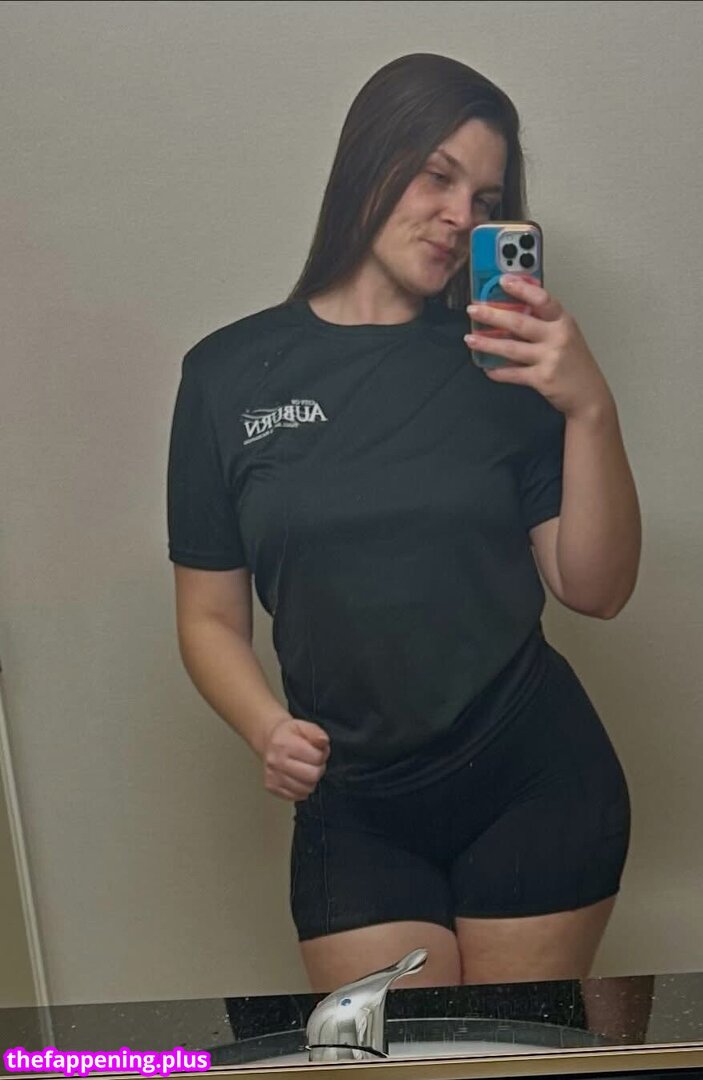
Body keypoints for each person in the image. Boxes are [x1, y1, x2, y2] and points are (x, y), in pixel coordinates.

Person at [167, 52, 642, 993]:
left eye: (486, 196)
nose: (462, 215)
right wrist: (265, 726)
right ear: (368, 161)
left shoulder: (503, 365)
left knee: (516, 1055)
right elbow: (208, 617)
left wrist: (590, 406)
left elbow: (596, 589)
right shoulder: (226, 375)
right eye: (437, 175)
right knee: (388, 1058)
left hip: (535, 781)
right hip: (355, 805)